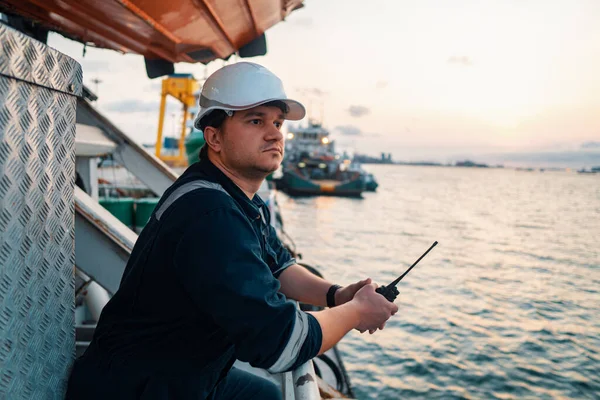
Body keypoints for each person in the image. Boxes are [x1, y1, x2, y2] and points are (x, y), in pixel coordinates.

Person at [67, 62, 398, 399]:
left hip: (184, 373)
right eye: (256, 121)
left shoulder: (235, 198)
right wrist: (357, 311)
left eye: (278, 123)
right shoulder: (210, 214)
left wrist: (337, 295)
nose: (275, 134)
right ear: (214, 137)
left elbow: (279, 266)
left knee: (265, 395)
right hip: (140, 387)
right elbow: (283, 343)